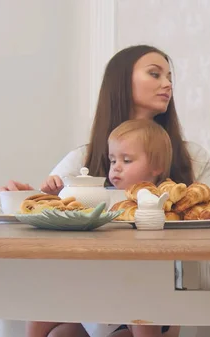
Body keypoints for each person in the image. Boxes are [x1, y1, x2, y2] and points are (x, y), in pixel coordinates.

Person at [0, 44, 210, 337]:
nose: (167, 84)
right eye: (155, 74)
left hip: (177, 279)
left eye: (169, 77)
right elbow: (47, 213)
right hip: (99, 281)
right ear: (121, 83)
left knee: (148, 287)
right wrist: (28, 197)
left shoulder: (191, 156)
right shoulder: (83, 159)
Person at [28, 119, 174, 337]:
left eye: (127, 160)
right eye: (113, 159)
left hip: (140, 300)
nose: (116, 167)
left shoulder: (163, 200)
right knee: (52, 319)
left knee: (141, 301)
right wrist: (53, 194)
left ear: (156, 166)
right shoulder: (97, 196)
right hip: (96, 291)